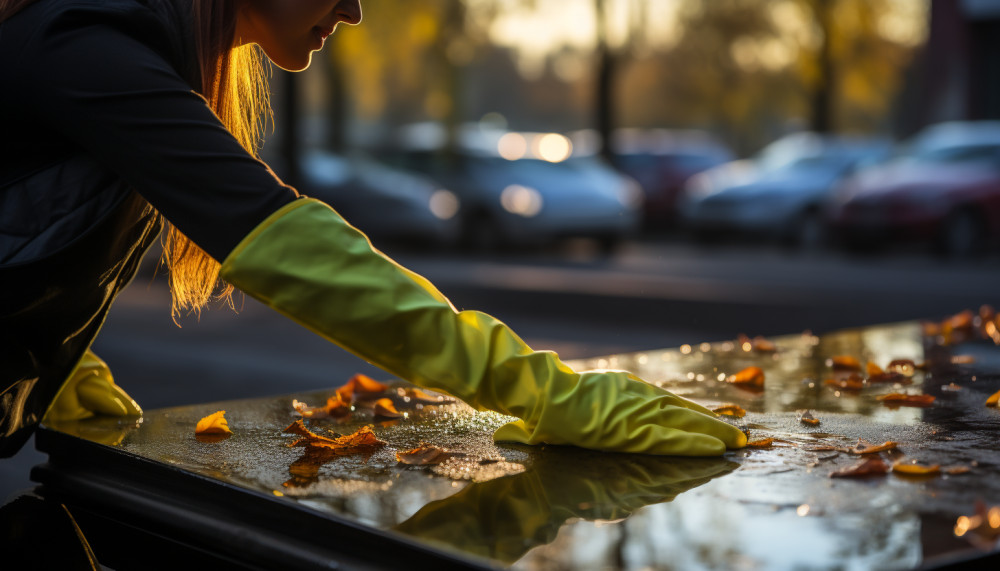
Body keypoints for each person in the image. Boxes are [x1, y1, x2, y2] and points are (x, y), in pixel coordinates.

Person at [0, 0, 747, 460]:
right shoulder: (83, 44)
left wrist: (54, 345)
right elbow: (288, 245)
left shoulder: (107, 42)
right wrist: (537, 388)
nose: (354, 9)